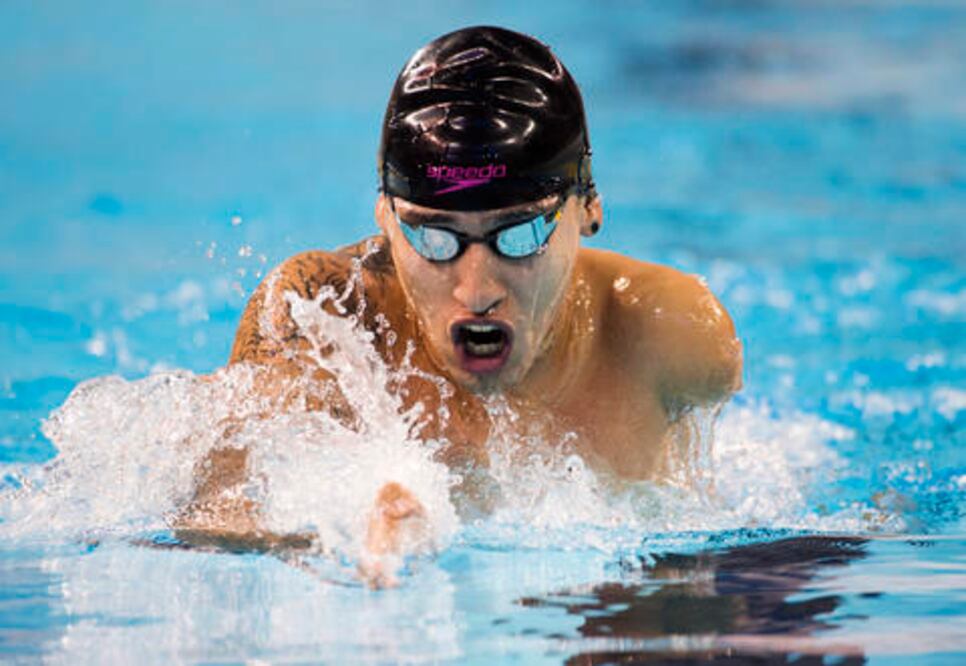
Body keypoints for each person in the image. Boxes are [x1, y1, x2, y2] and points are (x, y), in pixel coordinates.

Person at [177, 26, 742, 581]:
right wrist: (340, 520)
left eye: (518, 236)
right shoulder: (322, 312)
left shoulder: (670, 336)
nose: (476, 290)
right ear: (385, 217)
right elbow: (216, 512)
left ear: (588, 207)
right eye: (434, 238)